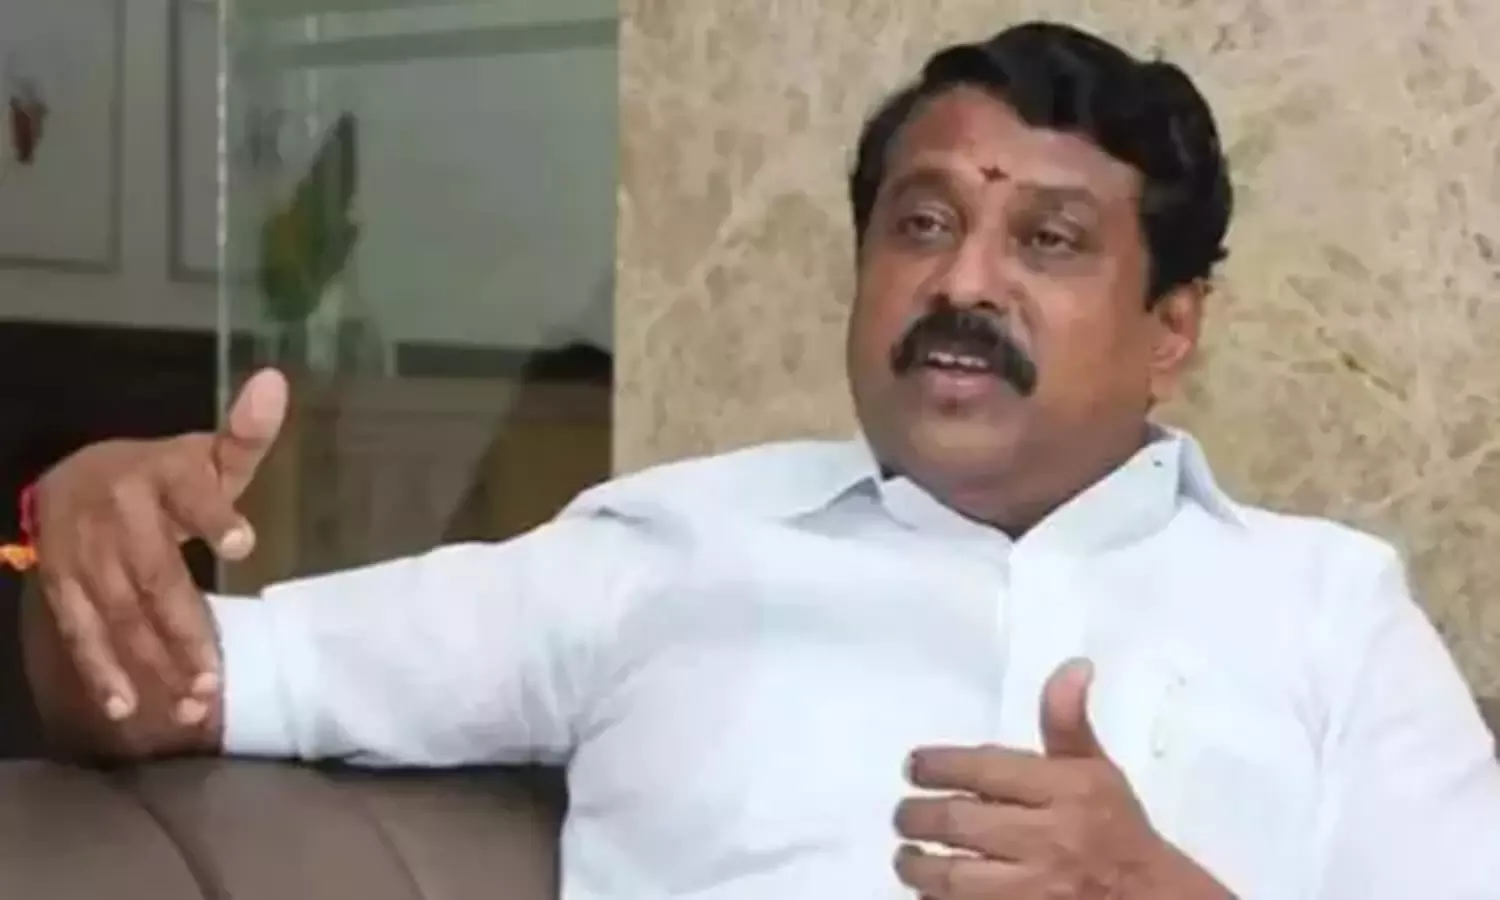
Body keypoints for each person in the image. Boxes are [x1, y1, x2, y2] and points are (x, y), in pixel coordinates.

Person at [12, 21, 1500, 900]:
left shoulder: (1332, 613)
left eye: (1048, 241)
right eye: (922, 223)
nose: (962, 281)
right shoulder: (659, 554)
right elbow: (173, 687)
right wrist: (86, 544)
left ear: (1173, 326)